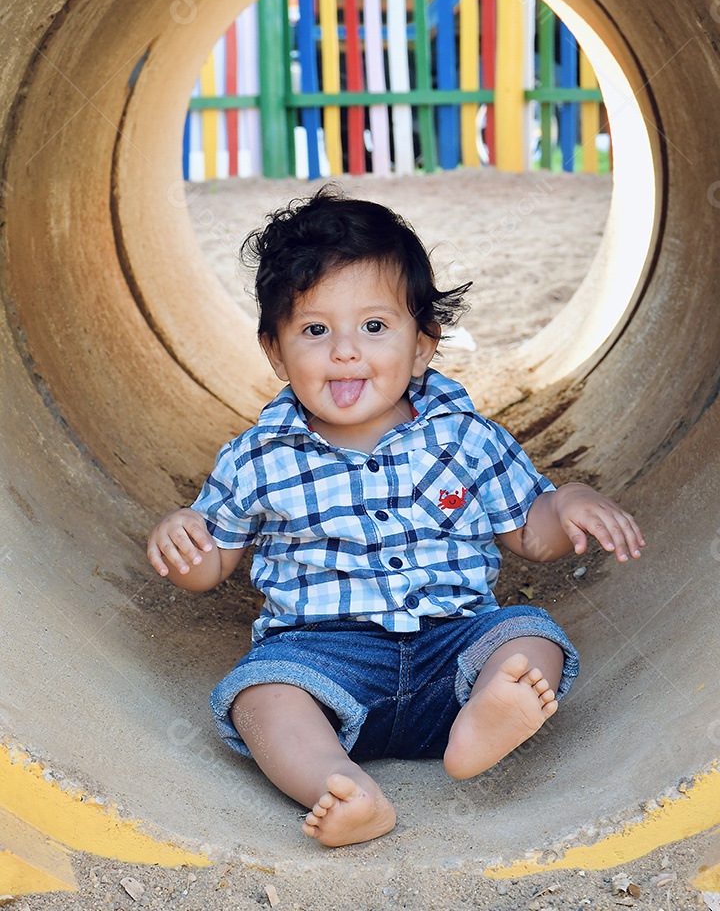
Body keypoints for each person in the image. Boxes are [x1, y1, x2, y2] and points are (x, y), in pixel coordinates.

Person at [147, 186, 645, 848]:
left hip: (453, 651)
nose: (346, 351)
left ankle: (484, 722)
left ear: (421, 348)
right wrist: (183, 540)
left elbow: (531, 530)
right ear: (275, 351)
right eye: (316, 330)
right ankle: (340, 786)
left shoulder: (464, 438)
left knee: (531, 635)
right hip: (323, 660)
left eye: (374, 327)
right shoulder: (258, 457)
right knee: (259, 695)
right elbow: (212, 563)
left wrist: (571, 502)